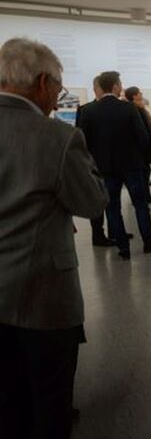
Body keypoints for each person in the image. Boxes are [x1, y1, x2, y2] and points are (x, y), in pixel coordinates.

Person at [0, 37, 108, 439]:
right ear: (42, 82)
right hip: (41, 295)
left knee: (8, 401)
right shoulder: (56, 137)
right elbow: (93, 202)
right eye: (58, 90)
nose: (57, 98)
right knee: (49, 400)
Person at [78, 71, 151, 260]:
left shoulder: (87, 110)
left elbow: (82, 142)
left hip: (105, 167)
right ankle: (149, 241)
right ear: (115, 86)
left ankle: (123, 248)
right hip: (132, 165)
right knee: (140, 205)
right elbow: (143, 138)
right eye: (120, 84)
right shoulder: (128, 109)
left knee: (112, 207)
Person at [76, 74, 115, 246]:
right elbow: (81, 137)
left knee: (113, 198)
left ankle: (116, 230)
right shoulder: (85, 109)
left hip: (111, 162)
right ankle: (98, 234)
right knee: (97, 198)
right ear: (95, 89)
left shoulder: (115, 108)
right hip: (94, 162)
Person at [124, 86, 151, 204]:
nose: (141, 94)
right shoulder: (133, 109)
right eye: (139, 92)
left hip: (145, 146)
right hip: (141, 148)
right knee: (143, 173)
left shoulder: (138, 107)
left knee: (146, 171)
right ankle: (144, 198)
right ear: (134, 96)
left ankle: (144, 196)